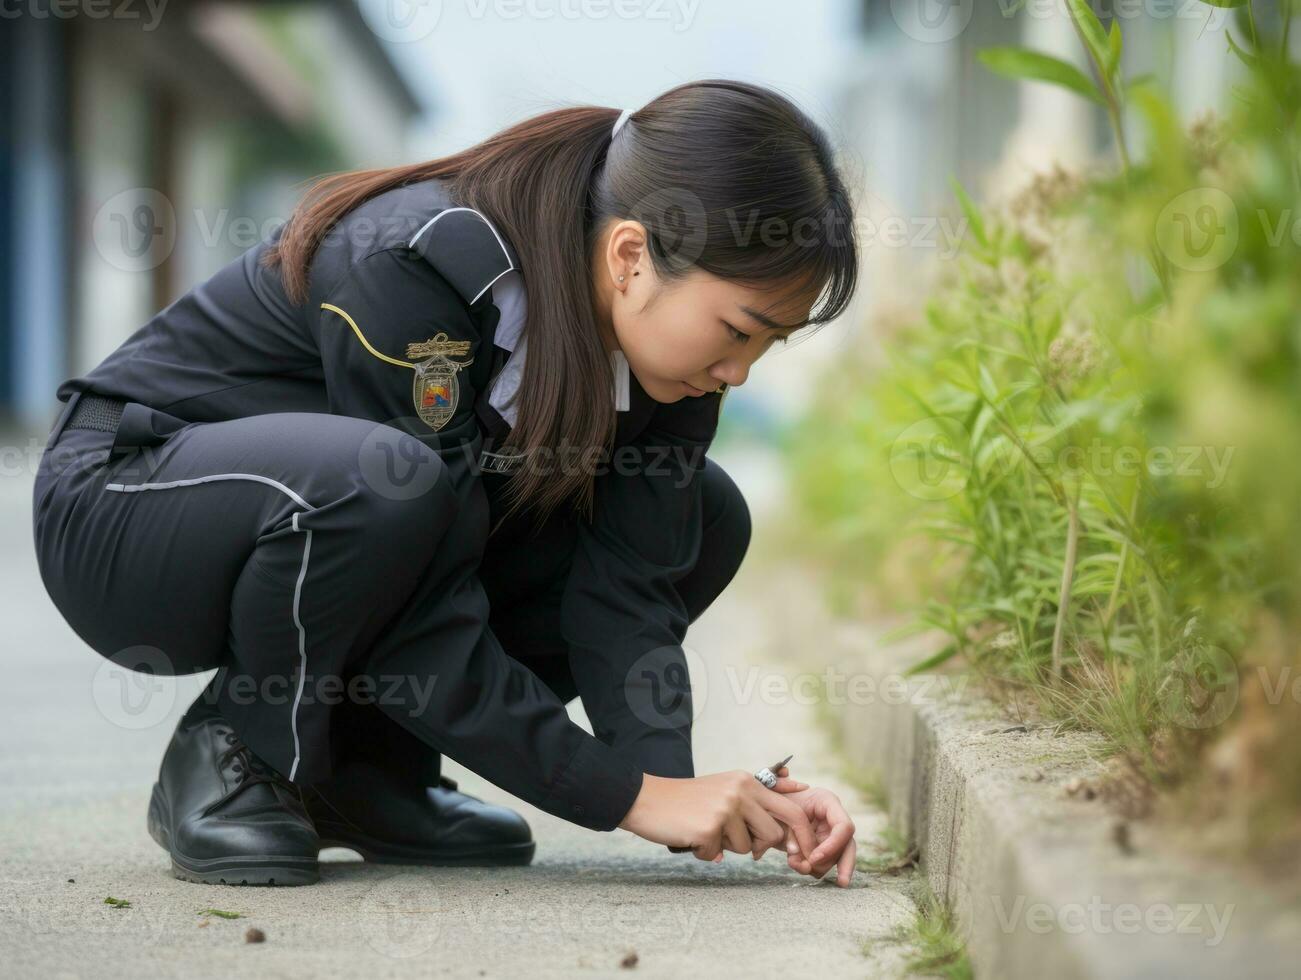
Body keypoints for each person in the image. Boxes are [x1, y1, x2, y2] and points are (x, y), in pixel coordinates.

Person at [31, 79, 861, 888]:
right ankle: (235, 751)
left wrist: (696, 796)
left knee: (707, 519)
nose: (739, 371)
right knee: (387, 483)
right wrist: (625, 798)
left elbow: (630, 588)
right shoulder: (426, 260)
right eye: (737, 330)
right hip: (126, 502)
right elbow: (421, 591)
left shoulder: (679, 371)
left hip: (338, 525)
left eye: (768, 344)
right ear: (630, 255)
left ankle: (361, 774)